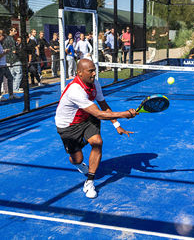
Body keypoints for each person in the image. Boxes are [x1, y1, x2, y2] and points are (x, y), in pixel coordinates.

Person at [55, 58, 138, 198]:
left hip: (87, 118)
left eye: (94, 70)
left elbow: (103, 106)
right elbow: (99, 114)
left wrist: (117, 124)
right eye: (91, 71)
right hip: (68, 126)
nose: (94, 74)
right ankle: (78, 164)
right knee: (76, 158)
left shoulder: (95, 84)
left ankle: (90, 182)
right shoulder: (75, 89)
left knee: (97, 142)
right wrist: (125, 114)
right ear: (79, 73)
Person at [0, 30, 17, 101]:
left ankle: (11, 94)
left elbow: (0, 53)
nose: (3, 39)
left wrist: (4, 51)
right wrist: (4, 53)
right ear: (0, 35)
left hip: (4, 64)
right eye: (3, 37)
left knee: (10, 78)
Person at [3, 27, 23, 93]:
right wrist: (19, 51)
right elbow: (14, 51)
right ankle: (15, 88)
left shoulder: (5, 39)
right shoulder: (11, 39)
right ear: (10, 31)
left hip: (8, 59)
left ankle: (13, 88)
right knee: (19, 73)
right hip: (14, 59)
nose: (16, 32)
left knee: (12, 75)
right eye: (14, 31)